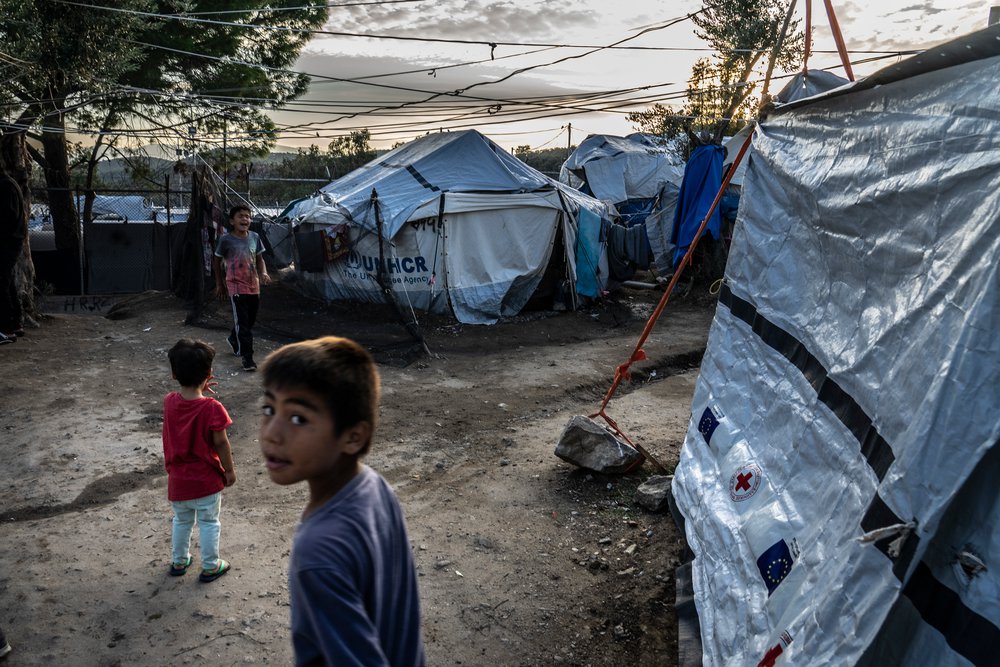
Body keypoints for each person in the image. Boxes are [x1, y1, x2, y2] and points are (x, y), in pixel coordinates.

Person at [259, 336, 425, 666]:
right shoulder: (374, 485)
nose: (270, 433)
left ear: (352, 437)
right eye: (268, 409)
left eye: (298, 418)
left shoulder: (316, 551)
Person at [163, 338, 236, 583]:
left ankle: (179, 561)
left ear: (174, 373)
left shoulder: (169, 402)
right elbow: (221, 443)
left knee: (182, 521)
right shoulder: (213, 408)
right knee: (209, 522)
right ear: (209, 373)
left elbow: (185, 404)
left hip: (178, 482)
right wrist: (229, 471)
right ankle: (211, 565)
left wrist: (197, 389)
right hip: (205, 481)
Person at [213, 205, 271, 371]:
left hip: (254, 285)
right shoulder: (226, 240)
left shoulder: (254, 236)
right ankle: (248, 358)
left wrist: (264, 273)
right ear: (232, 221)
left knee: (249, 321)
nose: (245, 219)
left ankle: (233, 338)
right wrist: (220, 283)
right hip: (236, 286)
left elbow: (259, 258)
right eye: (241, 216)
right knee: (244, 325)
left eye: (247, 216)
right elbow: (217, 261)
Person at [0, 171, 25, 345]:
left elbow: (6, 218)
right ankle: (14, 324)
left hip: (6, 243)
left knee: (1, 283)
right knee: (6, 282)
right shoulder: (9, 183)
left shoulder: (4, 187)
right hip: (11, 241)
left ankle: (5, 328)